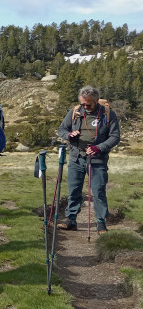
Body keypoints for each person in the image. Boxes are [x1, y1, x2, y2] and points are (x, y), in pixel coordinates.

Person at [56, 85, 120, 234]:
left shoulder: (108, 114)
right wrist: (69, 135)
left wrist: (99, 147)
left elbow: (115, 137)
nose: (85, 107)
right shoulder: (75, 111)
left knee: (98, 191)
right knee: (74, 190)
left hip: (98, 159)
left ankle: (101, 222)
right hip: (76, 157)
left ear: (96, 101)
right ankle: (71, 220)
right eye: (82, 104)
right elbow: (62, 129)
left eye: (88, 104)